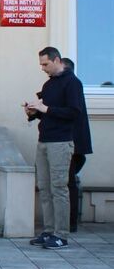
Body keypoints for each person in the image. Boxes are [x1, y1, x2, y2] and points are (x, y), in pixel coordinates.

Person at [24, 46, 84, 251]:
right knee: (44, 187)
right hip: (44, 140)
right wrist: (33, 112)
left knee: (59, 188)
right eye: (41, 64)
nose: (42, 68)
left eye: (45, 64)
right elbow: (46, 112)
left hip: (61, 142)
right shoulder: (49, 85)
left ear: (57, 60)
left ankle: (61, 235)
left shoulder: (72, 83)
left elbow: (74, 112)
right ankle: (49, 231)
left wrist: (46, 108)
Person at [62, 57, 93, 232]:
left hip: (71, 142)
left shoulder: (72, 83)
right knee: (67, 181)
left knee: (68, 183)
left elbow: (72, 113)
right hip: (74, 142)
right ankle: (69, 221)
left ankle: (70, 222)